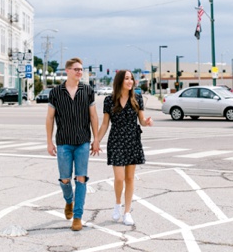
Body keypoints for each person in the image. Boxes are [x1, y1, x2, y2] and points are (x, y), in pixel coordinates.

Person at [44, 58, 100, 232]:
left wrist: (96, 139)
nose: (79, 72)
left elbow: (93, 116)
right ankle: (69, 200)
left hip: (83, 141)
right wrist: (49, 141)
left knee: (81, 178)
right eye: (76, 69)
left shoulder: (88, 91)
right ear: (67, 71)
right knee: (65, 179)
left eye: (81, 69)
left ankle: (78, 217)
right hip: (63, 142)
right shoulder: (55, 92)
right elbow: (50, 118)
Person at [94, 69, 153, 226]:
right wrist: (97, 141)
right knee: (119, 178)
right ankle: (117, 204)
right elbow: (105, 124)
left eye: (131, 79)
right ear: (120, 81)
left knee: (129, 178)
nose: (130, 81)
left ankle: (127, 212)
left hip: (132, 140)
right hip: (116, 140)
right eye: (127, 78)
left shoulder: (137, 98)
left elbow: (141, 120)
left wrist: (147, 122)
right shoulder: (109, 100)